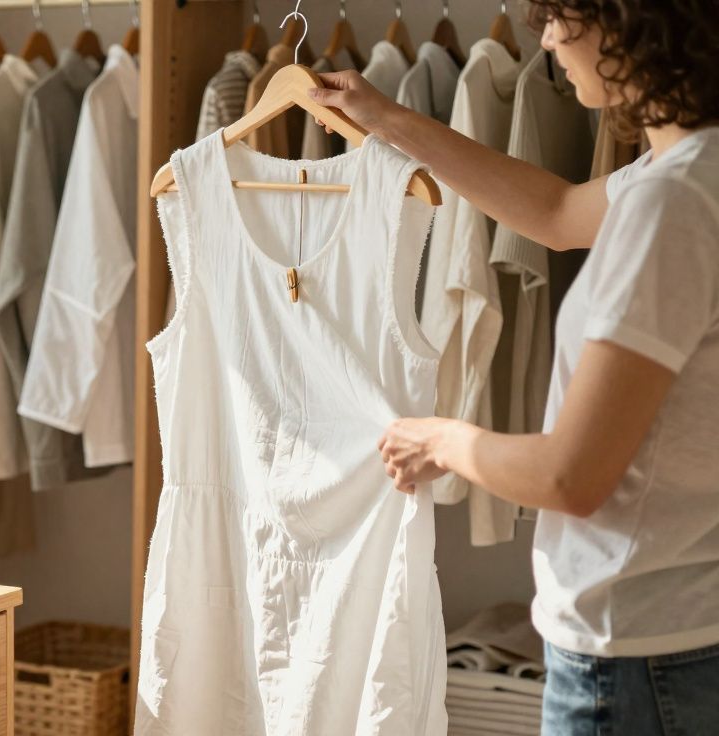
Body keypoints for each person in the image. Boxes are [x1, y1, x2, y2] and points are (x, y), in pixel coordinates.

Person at [306, 1, 719, 733]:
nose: (549, 38)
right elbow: (557, 212)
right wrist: (387, 118)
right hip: (679, 631)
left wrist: (442, 441)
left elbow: (571, 477)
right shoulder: (692, 175)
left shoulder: (671, 203)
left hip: (631, 656)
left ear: (635, 25)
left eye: (565, 17)